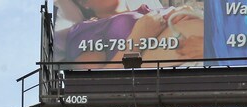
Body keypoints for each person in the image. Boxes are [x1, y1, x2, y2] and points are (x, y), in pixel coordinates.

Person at [62, 0, 203, 67]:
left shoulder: (147, 8)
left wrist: (188, 12)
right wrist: (137, 39)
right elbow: (93, 83)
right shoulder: (86, 30)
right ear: (84, 3)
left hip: (214, 57)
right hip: (187, 63)